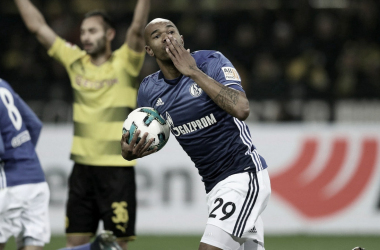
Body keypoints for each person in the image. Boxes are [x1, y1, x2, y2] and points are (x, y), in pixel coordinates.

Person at [121, 18, 272, 250]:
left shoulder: (211, 62)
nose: (166, 36)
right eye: (157, 35)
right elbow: (144, 134)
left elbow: (242, 108)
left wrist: (192, 71)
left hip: (244, 175)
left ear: (181, 39)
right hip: (213, 186)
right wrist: (130, 152)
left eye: (171, 31)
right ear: (149, 50)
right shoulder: (149, 91)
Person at [14, 0, 150, 249]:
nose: (86, 37)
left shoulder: (126, 62)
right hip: (82, 171)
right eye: (84, 31)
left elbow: (137, 27)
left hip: (116, 170)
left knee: (116, 246)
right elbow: (37, 27)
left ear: (109, 34)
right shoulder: (74, 60)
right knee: (75, 244)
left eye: (93, 31)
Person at [0, 78, 50, 250]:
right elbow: (35, 125)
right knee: (32, 244)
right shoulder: (3, 84)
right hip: (35, 179)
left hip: (8, 183)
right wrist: (23, 155)